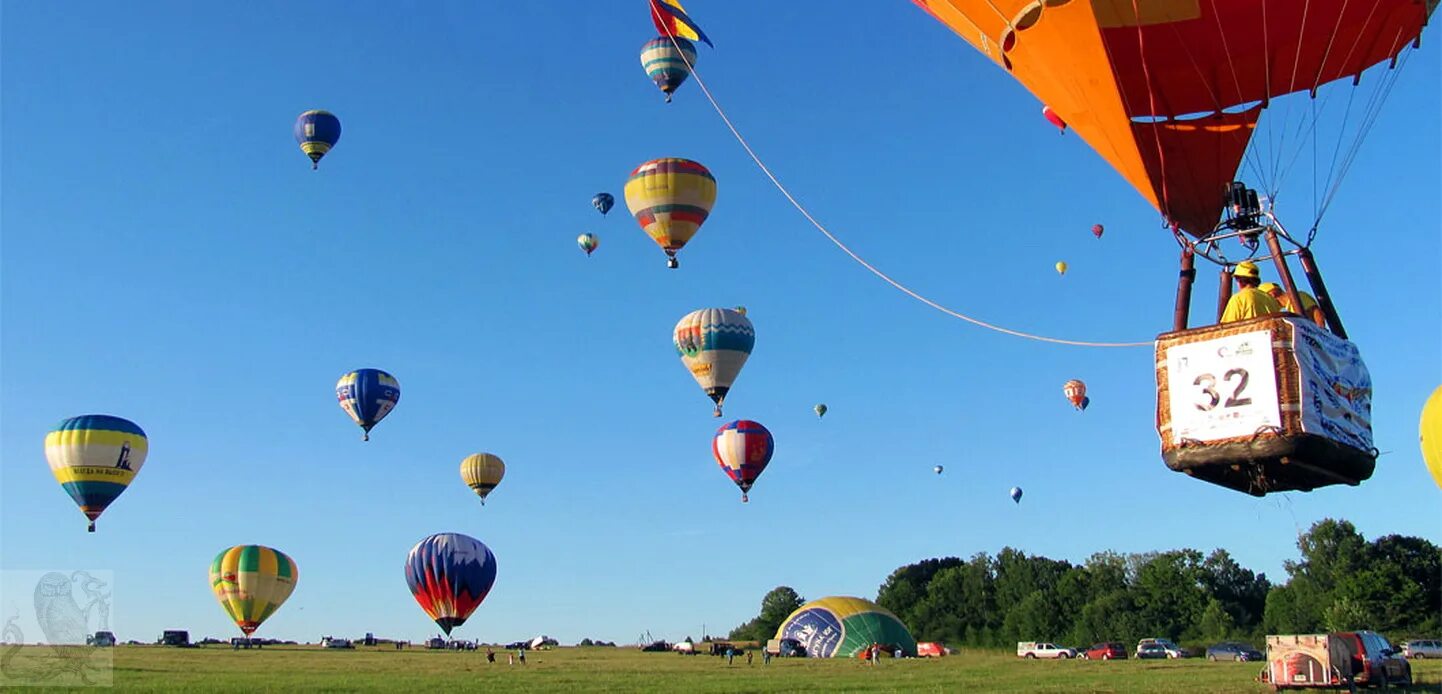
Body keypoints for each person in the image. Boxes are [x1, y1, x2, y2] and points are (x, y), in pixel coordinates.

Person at [1259, 282, 1327, 329]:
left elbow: (1316, 311)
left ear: (1272, 294)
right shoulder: (1289, 307)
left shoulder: (1298, 296)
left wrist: (1321, 331)